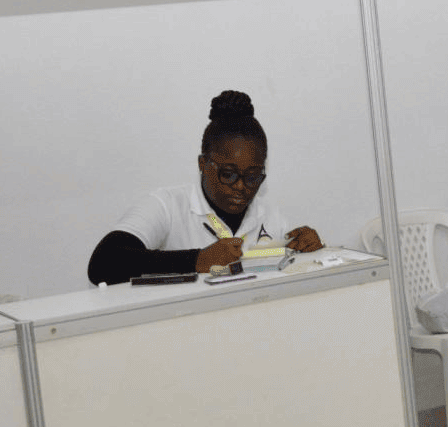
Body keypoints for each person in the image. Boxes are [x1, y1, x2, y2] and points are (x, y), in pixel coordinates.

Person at [87, 90, 323, 285]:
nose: (241, 187)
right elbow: (104, 263)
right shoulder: (167, 206)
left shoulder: (269, 217)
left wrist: (309, 253)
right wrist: (197, 260)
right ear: (203, 164)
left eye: (252, 177)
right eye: (228, 174)